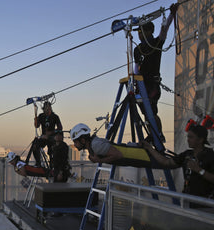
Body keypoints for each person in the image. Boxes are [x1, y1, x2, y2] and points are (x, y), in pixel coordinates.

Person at [133, 3, 178, 140]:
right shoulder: (138, 49)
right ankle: (153, 134)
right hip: (141, 84)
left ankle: (158, 134)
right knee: (145, 112)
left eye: (141, 31)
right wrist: (135, 79)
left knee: (151, 111)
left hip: (152, 84)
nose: (139, 35)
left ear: (148, 32)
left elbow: (165, 28)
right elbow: (136, 65)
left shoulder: (156, 43)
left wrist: (171, 14)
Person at [142, 125, 214, 198]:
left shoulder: (210, 155)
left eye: (191, 137)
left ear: (201, 139)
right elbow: (166, 162)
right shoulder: (187, 154)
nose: (188, 140)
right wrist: (149, 148)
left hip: (206, 203)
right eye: (188, 137)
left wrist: (199, 170)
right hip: (188, 199)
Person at [70, 123, 165, 168]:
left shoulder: (96, 145)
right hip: (140, 155)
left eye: (75, 141)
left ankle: (157, 136)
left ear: (82, 140)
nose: (74, 144)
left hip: (143, 156)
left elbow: (118, 155)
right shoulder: (93, 145)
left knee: (169, 162)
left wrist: (99, 160)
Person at [28, 101, 63, 167]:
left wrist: (51, 133)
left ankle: (52, 164)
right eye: (45, 109)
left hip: (52, 138)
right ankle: (38, 163)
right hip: (43, 137)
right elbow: (36, 126)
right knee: (35, 146)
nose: (47, 110)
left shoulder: (55, 117)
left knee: (51, 149)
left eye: (48, 109)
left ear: (50, 108)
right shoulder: (41, 116)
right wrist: (35, 120)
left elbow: (60, 128)